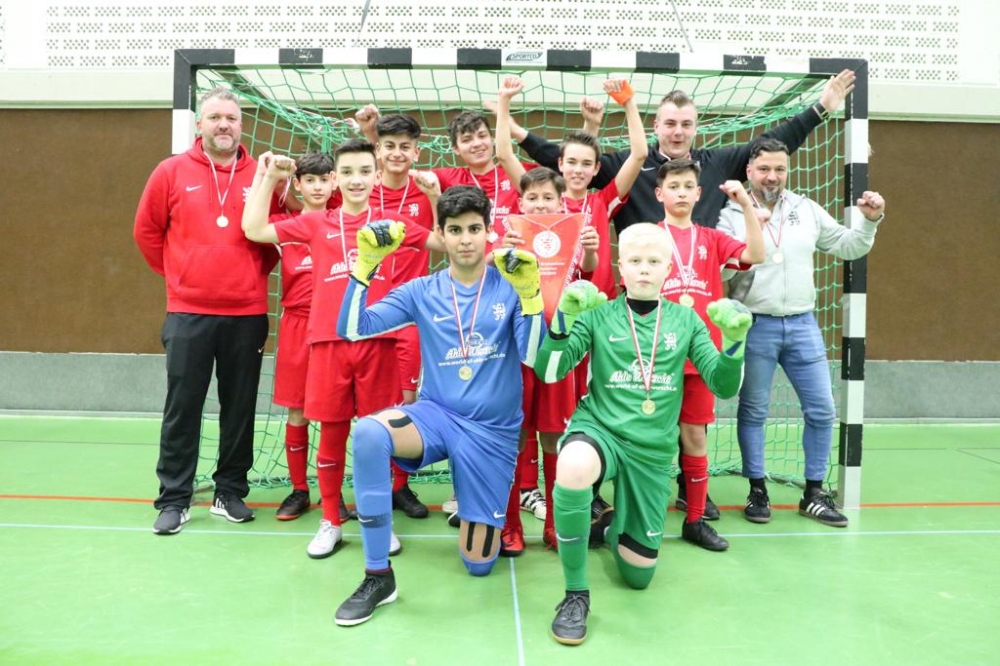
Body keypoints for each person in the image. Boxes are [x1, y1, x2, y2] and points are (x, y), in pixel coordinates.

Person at [332, 186, 547, 626]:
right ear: (441, 235)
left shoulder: (510, 287)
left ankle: (471, 502)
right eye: (455, 230)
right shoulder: (422, 290)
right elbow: (353, 328)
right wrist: (364, 268)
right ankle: (377, 575)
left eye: (474, 229)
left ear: (488, 232)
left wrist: (532, 297)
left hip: (491, 432)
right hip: (437, 417)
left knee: (478, 564)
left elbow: (533, 357)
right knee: (369, 432)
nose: (465, 239)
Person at [533, 223, 752, 645]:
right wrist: (562, 318)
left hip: (651, 450)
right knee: (573, 466)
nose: (644, 269)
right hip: (601, 429)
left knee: (638, 576)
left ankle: (612, 528)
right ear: (621, 267)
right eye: (635, 260)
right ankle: (575, 594)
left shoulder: (687, 320)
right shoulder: (598, 314)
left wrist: (734, 342)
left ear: (669, 269)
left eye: (654, 261)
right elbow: (550, 371)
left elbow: (723, 385)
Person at [241, 140, 442, 558]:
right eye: (347, 172)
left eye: (364, 172)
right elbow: (253, 229)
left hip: (378, 344)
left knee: (379, 438)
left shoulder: (392, 223)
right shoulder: (315, 222)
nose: (355, 180)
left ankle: (378, 521)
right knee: (331, 436)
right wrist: (269, 176)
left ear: (376, 175)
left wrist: (436, 197)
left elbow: (442, 243)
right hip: (328, 345)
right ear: (335, 178)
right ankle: (330, 520)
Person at [493, 74, 648, 553]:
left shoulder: (594, 208)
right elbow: (505, 154)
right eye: (533, 197)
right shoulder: (516, 229)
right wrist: (503, 103)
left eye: (549, 198)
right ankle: (512, 519)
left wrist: (627, 105)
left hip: (572, 339)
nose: (542, 203)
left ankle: (562, 515)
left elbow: (592, 268)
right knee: (517, 427)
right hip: (520, 342)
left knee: (558, 430)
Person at [717, 137, 885, 527]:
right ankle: (757, 490)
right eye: (764, 169)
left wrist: (869, 220)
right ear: (749, 171)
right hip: (754, 325)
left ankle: (813, 493)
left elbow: (848, 246)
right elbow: (721, 268)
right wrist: (749, 232)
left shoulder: (806, 209)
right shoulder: (731, 214)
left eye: (780, 169)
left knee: (822, 409)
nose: (772, 176)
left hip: (802, 324)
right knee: (754, 410)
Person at [134, 86, 279, 535]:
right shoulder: (171, 171)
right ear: (199, 124)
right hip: (188, 312)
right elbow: (147, 232)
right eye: (215, 117)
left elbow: (276, 234)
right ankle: (174, 499)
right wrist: (182, 277)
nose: (223, 125)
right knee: (183, 407)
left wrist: (249, 274)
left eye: (231, 118)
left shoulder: (263, 175)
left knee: (240, 408)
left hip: (247, 313)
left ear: (242, 125)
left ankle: (229, 492)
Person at [513, 70, 857, 234]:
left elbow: (769, 146)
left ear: (695, 127)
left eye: (686, 124)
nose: (678, 132)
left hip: (699, 283)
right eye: (670, 123)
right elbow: (565, 160)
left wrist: (821, 109)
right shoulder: (626, 165)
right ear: (655, 126)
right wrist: (516, 132)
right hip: (642, 285)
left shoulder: (716, 163)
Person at [652, 159, 765, 550]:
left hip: (700, 356)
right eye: (674, 186)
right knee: (650, 437)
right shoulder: (648, 237)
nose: (681, 192)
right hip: (657, 355)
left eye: (688, 186)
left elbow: (756, 254)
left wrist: (746, 204)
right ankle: (643, 516)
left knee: (695, 436)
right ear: (659, 193)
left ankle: (695, 520)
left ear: (699, 194)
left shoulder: (712, 238)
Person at [258, 152, 341, 522]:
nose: (318, 187)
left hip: (334, 326)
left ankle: (332, 493)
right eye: (310, 180)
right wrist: (269, 175)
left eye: (324, 179)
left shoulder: (343, 221)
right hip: (296, 324)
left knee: (336, 413)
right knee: (297, 410)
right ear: (298, 184)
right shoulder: (285, 226)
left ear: (334, 182)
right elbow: (251, 225)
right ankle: (299, 489)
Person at [372, 113, 437, 520]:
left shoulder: (426, 191)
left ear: (417, 152)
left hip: (411, 316)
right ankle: (375, 481)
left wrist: (435, 197)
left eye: (405, 147)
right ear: (377, 150)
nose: (397, 153)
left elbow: (446, 237)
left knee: (406, 401)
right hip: (370, 314)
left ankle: (400, 485)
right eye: (389, 146)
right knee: (371, 403)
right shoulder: (359, 189)